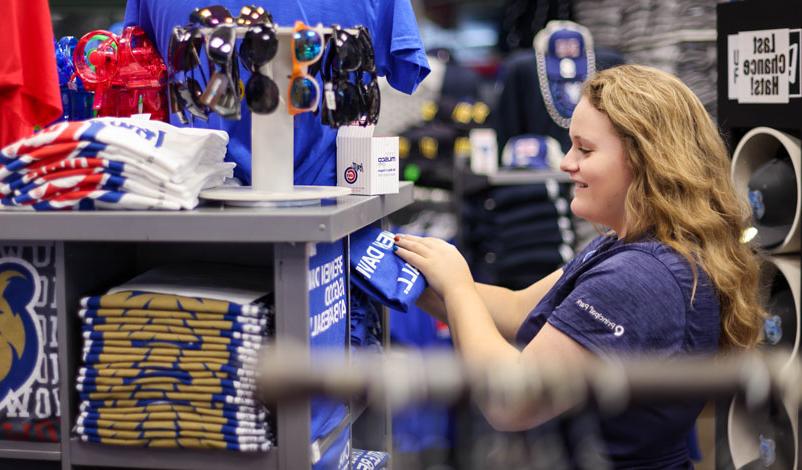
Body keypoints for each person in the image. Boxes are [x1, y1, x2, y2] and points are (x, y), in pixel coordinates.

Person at [394, 64, 765, 468]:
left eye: (584, 150)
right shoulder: (628, 247)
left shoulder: (639, 278)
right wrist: (402, 273)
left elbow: (512, 401)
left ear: (645, 160)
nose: (567, 164)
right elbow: (520, 309)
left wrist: (459, 285)